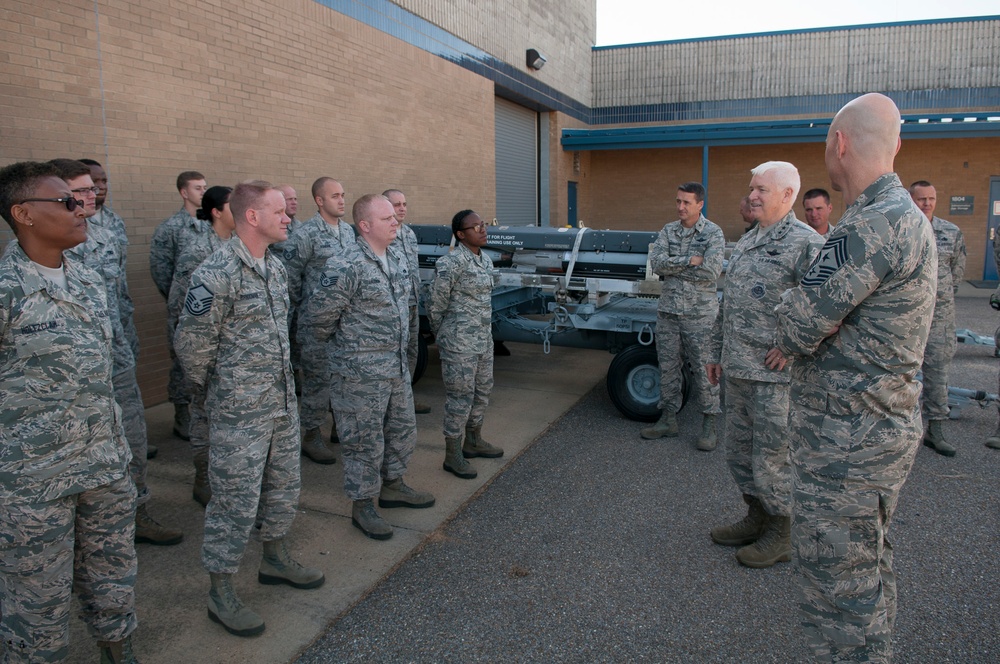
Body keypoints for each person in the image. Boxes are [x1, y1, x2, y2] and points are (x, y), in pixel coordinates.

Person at [766, 93, 937, 662]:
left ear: (839, 144)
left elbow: (795, 329)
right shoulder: (900, 215)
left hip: (848, 444)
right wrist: (822, 315)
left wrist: (805, 310)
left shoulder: (870, 224)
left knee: (839, 592)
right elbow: (822, 318)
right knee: (866, 572)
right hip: (873, 431)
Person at [0, 161, 140, 662]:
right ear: (24, 214)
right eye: (65, 202)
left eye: (79, 199)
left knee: (114, 576)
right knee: (35, 604)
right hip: (35, 483)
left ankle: (119, 651)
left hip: (103, 464)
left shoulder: (86, 278)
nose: (82, 207)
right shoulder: (5, 291)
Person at [174, 180, 324, 638]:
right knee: (235, 503)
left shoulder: (273, 268)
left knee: (283, 488)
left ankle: (275, 559)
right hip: (240, 413)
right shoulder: (215, 273)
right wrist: (224, 394)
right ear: (252, 217)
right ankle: (221, 591)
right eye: (279, 211)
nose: (289, 217)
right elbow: (191, 348)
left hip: (280, 405)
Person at [706, 162, 824, 569]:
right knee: (739, 453)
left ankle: (782, 531)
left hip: (776, 378)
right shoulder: (749, 239)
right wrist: (715, 351)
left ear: (788, 195)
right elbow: (730, 302)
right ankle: (757, 516)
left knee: (773, 458)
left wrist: (792, 347)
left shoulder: (806, 243)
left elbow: (826, 310)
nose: (752, 195)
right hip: (738, 367)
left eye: (761, 189)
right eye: (751, 187)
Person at [298, 194, 435, 541]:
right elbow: (317, 320)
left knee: (403, 431)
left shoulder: (397, 258)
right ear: (365, 225)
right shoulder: (345, 264)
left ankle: (392, 486)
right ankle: (362, 505)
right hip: (358, 375)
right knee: (363, 442)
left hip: (394, 368)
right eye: (387, 217)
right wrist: (348, 355)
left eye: (395, 216)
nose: (395, 222)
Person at [641, 182, 724, 449]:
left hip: (700, 316)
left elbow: (711, 272)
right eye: (678, 201)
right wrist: (689, 260)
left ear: (700, 204)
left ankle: (709, 425)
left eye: (686, 202)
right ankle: (668, 420)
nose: (680, 207)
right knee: (667, 368)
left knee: (705, 370)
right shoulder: (668, 230)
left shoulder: (713, 233)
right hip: (669, 313)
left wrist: (674, 265)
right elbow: (657, 264)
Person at [169, 186, 235, 506]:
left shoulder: (241, 248)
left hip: (234, 355)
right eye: (232, 205)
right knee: (204, 417)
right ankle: (203, 477)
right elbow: (181, 303)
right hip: (206, 352)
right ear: (217, 212)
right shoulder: (198, 250)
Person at [284, 177, 356, 464]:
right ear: (319, 200)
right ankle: (312, 434)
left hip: (346, 323)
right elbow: (290, 280)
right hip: (315, 324)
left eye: (343, 194)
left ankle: (340, 426)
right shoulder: (305, 234)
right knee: (316, 381)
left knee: (345, 376)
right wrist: (307, 311)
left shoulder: (349, 233)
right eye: (335, 196)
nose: (341, 200)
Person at [428, 209, 503, 480]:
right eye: (475, 227)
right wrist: (446, 336)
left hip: (483, 341)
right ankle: (452, 454)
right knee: (460, 399)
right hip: (459, 344)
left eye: (482, 225)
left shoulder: (486, 261)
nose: (482, 229)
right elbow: (436, 305)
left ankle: (473, 440)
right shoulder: (450, 264)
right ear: (460, 235)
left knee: (482, 392)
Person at [150, 170, 209, 441]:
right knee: (181, 363)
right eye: (198, 188)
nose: (203, 192)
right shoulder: (171, 228)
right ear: (184, 192)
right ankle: (181, 413)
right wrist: (180, 300)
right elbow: (161, 271)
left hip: (208, 310)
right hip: (182, 306)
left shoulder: (211, 225)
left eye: (205, 187)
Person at [910, 180, 967, 456]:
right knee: (900, 373)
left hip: (939, 318)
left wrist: (939, 299)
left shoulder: (951, 232)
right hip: (907, 318)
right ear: (911, 200)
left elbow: (956, 274)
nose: (927, 204)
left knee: (938, 374)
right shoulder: (903, 231)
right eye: (921, 199)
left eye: (931, 198)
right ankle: (899, 432)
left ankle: (936, 430)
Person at [384, 188, 432, 415]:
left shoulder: (410, 234)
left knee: (411, 351)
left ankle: (406, 398)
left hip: (412, 303)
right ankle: (390, 404)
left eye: (404, 204)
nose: (402, 208)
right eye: (396, 204)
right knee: (394, 355)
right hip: (394, 308)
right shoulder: (382, 235)